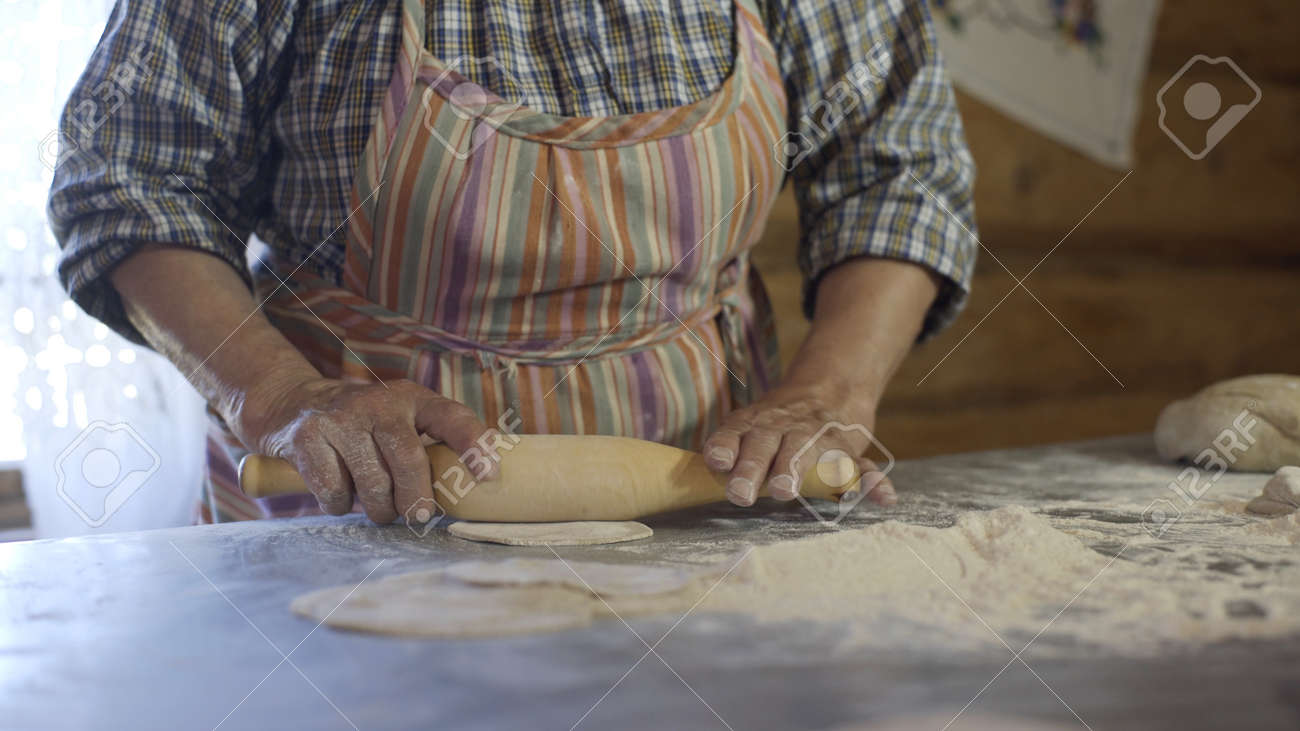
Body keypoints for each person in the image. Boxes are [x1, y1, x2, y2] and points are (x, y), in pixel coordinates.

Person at [48, 0, 976, 524]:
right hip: (354, 513)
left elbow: (896, 166)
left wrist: (833, 393)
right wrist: (280, 401)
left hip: (710, 497)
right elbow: (130, 177)